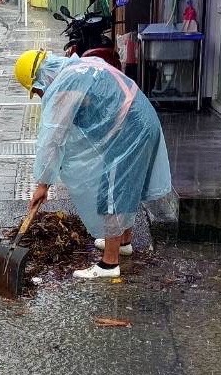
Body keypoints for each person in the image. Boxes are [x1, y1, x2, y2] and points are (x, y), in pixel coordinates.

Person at [13, 50, 172, 279]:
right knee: (123, 185)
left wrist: (42, 184)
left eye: (37, 90)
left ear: (41, 79)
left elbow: (54, 138)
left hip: (129, 128)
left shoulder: (65, 86)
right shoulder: (79, 67)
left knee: (111, 191)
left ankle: (109, 264)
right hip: (141, 120)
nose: (40, 95)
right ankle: (123, 242)